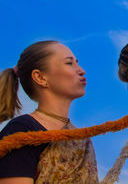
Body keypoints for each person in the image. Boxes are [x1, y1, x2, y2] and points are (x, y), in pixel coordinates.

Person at [0, 40, 99, 183]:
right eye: (69, 63)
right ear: (40, 77)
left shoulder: (81, 140)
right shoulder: (22, 131)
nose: (81, 70)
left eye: (77, 62)